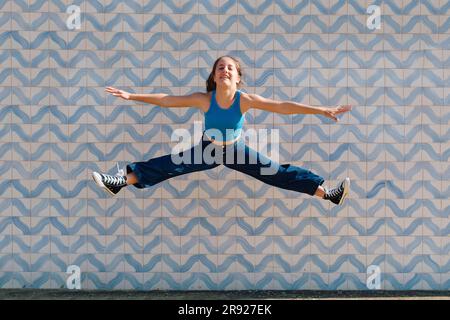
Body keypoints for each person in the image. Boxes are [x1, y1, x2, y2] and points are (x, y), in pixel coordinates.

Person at [92, 56, 352, 205]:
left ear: (237, 77)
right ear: (214, 77)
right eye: (220, 67)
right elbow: (166, 99)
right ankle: (119, 182)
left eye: (230, 68)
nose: (224, 70)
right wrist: (131, 96)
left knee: (276, 172)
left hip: (236, 150)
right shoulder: (205, 99)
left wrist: (321, 110)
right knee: (169, 165)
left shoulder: (245, 99)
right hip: (208, 150)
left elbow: (283, 107)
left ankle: (328, 194)